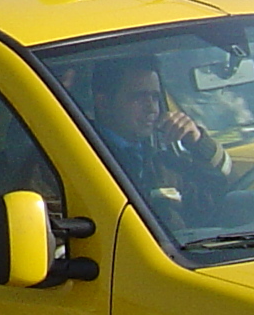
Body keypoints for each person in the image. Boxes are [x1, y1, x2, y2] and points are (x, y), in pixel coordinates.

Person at [87, 58, 229, 218]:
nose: (152, 108)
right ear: (104, 103)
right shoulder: (83, 159)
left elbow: (222, 196)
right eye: (139, 97)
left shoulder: (160, 160)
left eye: (155, 97)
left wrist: (197, 141)